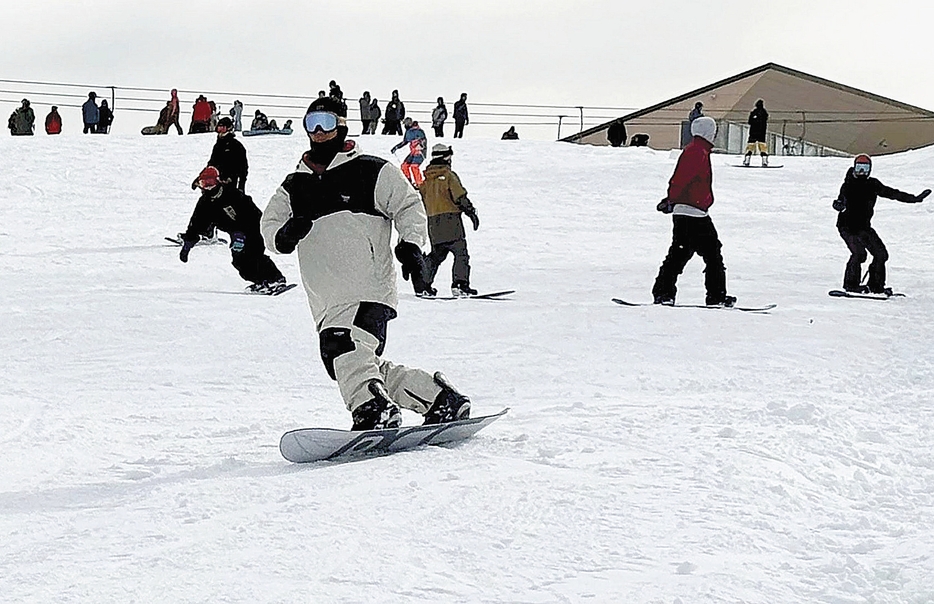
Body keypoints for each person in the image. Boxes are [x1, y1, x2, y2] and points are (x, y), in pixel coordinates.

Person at [260, 96, 471, 431]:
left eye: (326, 122)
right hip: (326, 297)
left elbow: (408, 205)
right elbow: (268, 227)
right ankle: (437, 398)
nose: (317, 132)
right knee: (355, 361)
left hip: (366, 285)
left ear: (342, 124)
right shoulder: (294, 185)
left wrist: (411, 245)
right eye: (310, 123)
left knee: (342, 347)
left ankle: (372, 408)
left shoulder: (370, 169)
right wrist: (284, 235)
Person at [652, 117, 735, 307]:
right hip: (692, 211)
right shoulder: (696, 152)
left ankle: (664, 293)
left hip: (693, 210)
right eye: (713, 131)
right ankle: (716, 296)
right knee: (711, 254)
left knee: (681, 253)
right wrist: (672, 199)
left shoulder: (699, 150)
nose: (715, 134)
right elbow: (680, 179)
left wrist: (672, 201)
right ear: (707, 132)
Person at [832, 154, 930, 294]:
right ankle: (851, 285)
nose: (862, 172)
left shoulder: (872, 184)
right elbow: (841, 201)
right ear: (854, 167)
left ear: (870, 169)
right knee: (859, 254)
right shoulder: (848, 185)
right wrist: (838, 205)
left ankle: (875, 286)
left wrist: (914, 199)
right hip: (846, 227)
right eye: (859, 168)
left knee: (881, 254)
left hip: (863, 227)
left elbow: (892, 193)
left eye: (865, 169)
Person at [179, 166, 286, 293]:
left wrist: (240, 233)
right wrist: (188, 244)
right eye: (204, 183)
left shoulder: (232, 195)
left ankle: (275, 279)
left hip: (254, 229)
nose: (207, 187)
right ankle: (261, 281)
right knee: (239, 262)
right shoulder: (205, 203)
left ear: (217, 182)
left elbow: (251, 215)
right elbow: (196, 224)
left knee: (253, 256)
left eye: (210, 183)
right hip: (236, 234)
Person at [419, 143, 480, 297]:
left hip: (433, 223)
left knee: (436, 255)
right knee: (460, 253)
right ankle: (459, 284)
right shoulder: (448, 176)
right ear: (446, 157)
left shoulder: (426, 181)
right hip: (451, 221)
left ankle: (423, 284)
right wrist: (471, 212)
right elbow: (459, 196)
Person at [207, 117, 248, 192]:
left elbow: (243, 168)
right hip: (215, 183)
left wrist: (241, 186)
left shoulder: (236, 146)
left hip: (230, 183)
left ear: (229, 128)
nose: (220, 132)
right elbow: (212, 163)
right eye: (218, 129)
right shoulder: (217, 146)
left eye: (222, 128)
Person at [391, 118, 427, 187]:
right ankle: (408, 181)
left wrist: (421, 146)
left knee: (414, 166)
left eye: (406, 124)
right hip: (413, 152)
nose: (405, 126)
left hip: (420, 152)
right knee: (404, 165)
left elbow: (424, 141)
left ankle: (419, 183)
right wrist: (396, 147)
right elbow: (405, 142)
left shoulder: (419, 131)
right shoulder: (408, 132)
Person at [743, 99, 769, 166]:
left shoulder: (753, 112)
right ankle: (764, 161)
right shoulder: (764, 113)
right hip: (762, 133)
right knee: (763, 147)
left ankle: (747, 160)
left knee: (750, 147)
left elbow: (749, 122)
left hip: (753, 132)